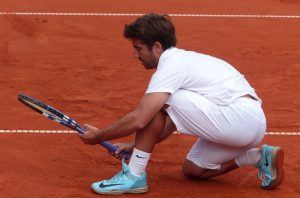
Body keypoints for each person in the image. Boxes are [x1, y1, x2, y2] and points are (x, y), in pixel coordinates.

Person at [79, 13, 284, 195]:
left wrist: (100, 136)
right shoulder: (185, 61)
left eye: (138, 48)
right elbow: (172, 119)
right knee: (194, 169)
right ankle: (258, 157)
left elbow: (141, 119)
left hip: (238, 120)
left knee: (157, 104)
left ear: (157, 47)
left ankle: (134, 175)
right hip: (248, 123)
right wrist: (135, 145)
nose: (135, 55)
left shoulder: (171, 65)